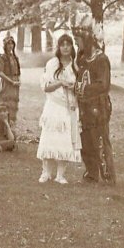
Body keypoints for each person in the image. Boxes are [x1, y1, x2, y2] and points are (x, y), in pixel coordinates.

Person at [74, 16, 115, 185]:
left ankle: (107, 175)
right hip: (84, 107)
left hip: (98, 107)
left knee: (100, 140)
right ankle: (91, 173)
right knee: (86, 140)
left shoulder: (101, 60)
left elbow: (103, 84)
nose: (77, 45)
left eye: (79, 41)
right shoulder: (82, 60)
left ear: (88, 40)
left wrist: (84, 88)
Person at [36, 34, 82, 184]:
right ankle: (46, 172)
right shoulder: (52, 64)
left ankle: (60, 175)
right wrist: (61, 82)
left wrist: (74, 88)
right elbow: (46, 87)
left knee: (65, 140)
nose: (66, 47)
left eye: (68, 44)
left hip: (69, 107)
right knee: (49, 138)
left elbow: (79, 87)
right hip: (54, 106)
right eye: (62, 44)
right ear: (59, 47)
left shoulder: (76, 66)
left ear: (71, 47)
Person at [0, 34, 21, 126]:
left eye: (12, 44)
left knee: (13, 102)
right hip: (7, 82)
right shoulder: (2, 57)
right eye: (8, 44)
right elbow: (0, 73)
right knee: (5, 102)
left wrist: (17, 80)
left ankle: (11, 122)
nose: (10, 46)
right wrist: (11, 81)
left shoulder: (15, 57)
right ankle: (2, 123)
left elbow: (18, 71)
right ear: (5, 46)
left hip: (15, 82)